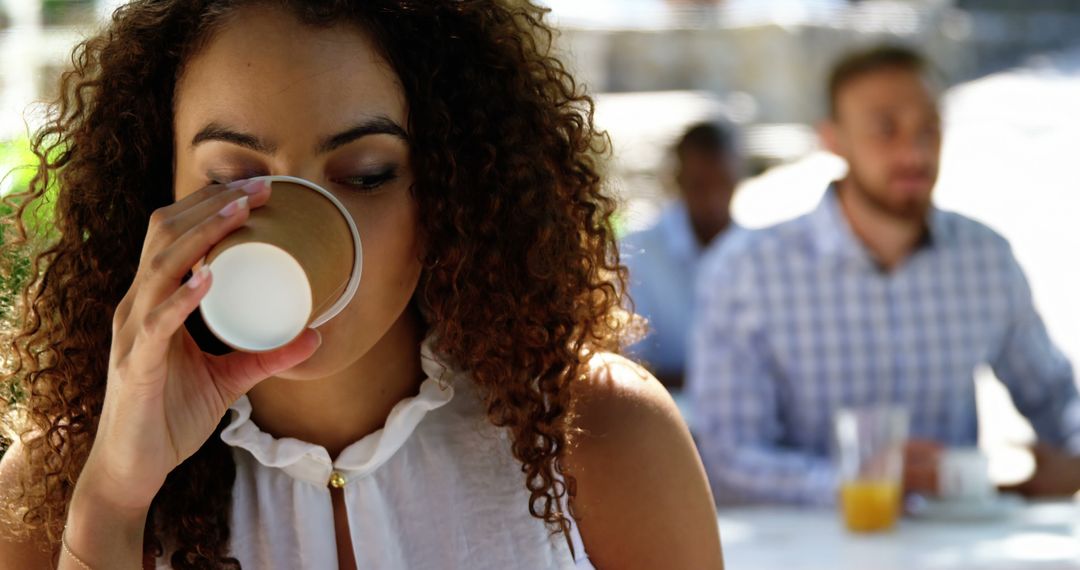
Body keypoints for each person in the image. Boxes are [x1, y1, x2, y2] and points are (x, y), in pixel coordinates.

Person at [0, 2, 723, 569]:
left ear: (449, 187)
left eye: (367, 175)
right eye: (230, 180)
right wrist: (116, 502)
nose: (295, 225)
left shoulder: (595, 431)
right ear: (158, 191)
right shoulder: (53, 489)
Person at [688, 44, 1080, 506]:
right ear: (832, 140)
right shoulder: (745, 272)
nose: (913, 151)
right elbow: (725, 459)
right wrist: (859, 482)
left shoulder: (986, 258)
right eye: (885, 129)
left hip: (957, 549)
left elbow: (1057, 398)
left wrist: (1071, 460)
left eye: (928, 130)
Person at [622, 121, 741, 389]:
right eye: (699, 185)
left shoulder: (758, 254)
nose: (713, 198)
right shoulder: (637, 253)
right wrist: (717, 381)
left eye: (722, 182)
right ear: (677, 182)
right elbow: (629, 368)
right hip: (661, 420)